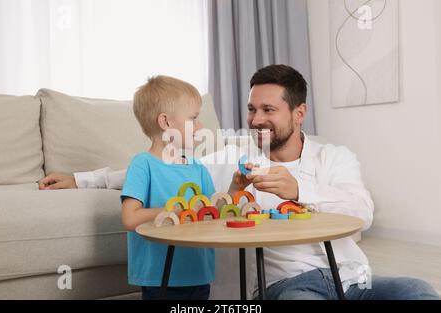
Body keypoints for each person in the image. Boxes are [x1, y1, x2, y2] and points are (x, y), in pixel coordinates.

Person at [39, 65, 440, 300]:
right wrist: (82, 178)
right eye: (251, 109)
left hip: (355, 279)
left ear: (299, 114)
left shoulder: (335, 157)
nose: (255, 119)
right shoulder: (233, 160)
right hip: (292, 286)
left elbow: (362, 213)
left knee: (419, 290)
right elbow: (158, 167)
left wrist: (300, 192)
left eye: (268, 109)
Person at [111, 75, 218, 300]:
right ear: (166, 122)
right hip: (162, 279)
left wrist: (238, 187)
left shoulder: (197, 167)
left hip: (199, 276)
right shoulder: (143, 164)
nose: (200, 127)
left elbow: (214, 213)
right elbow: (129, 219)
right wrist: (171, 211)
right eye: (193, 118)